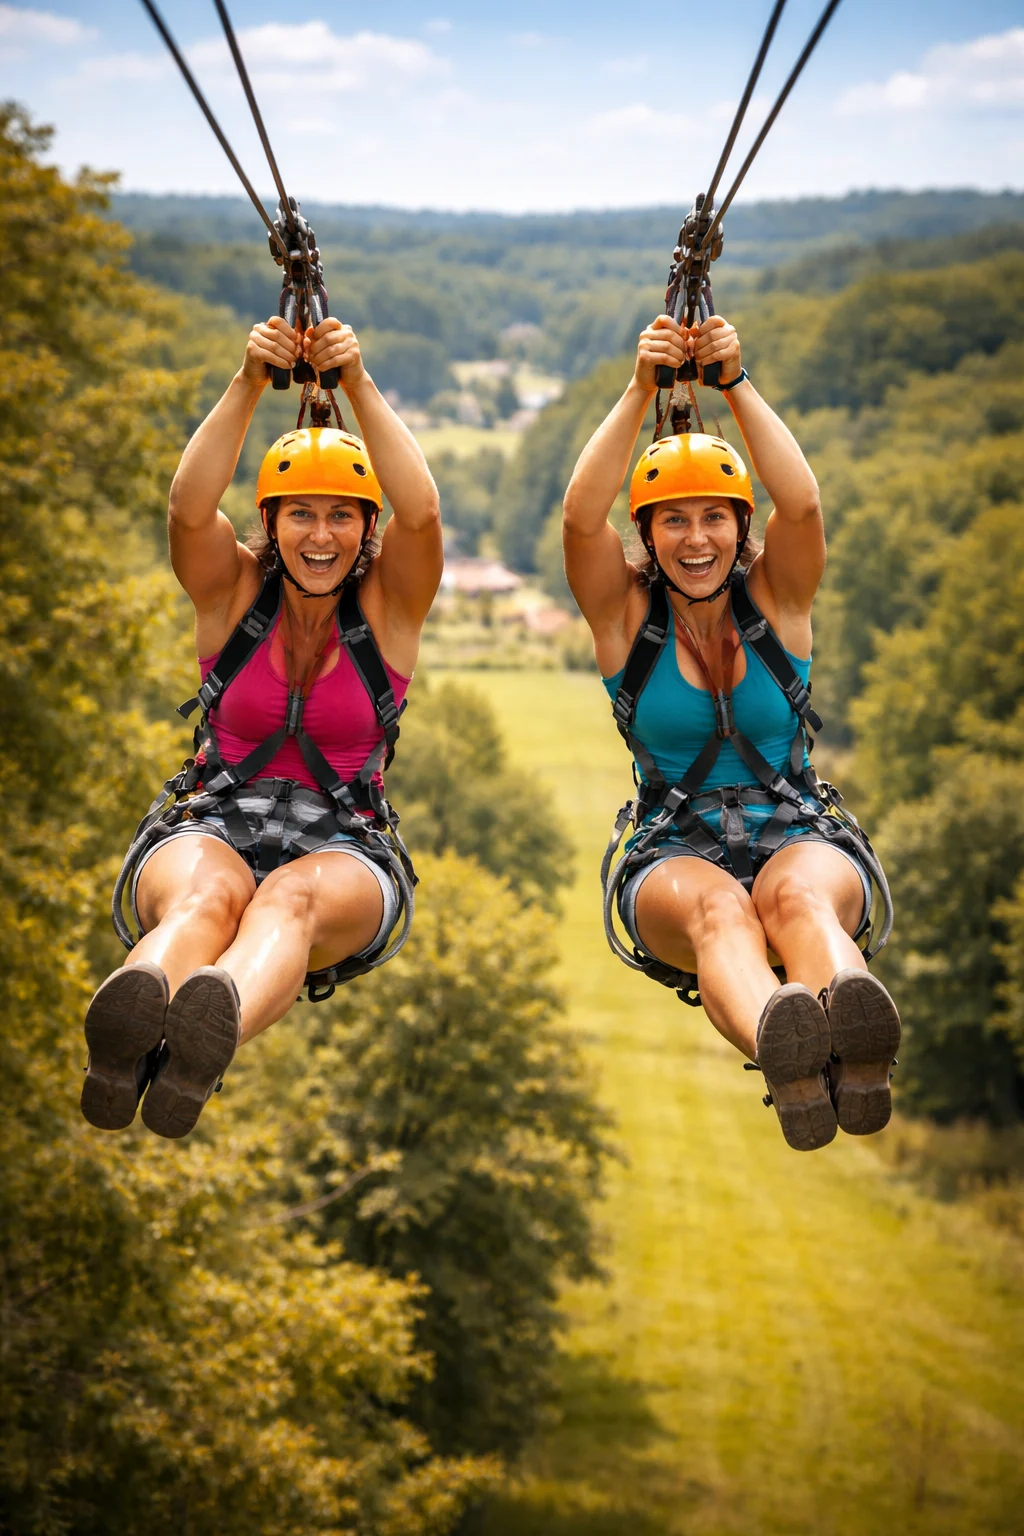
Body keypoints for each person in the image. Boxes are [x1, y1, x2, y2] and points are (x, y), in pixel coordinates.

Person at [81, 315, 441, 1139]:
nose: (321, 536)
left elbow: (420, 518)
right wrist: (248, 380)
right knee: (211, 896)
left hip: (344, 840)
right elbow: (187, 505)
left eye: (342, 516)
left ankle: (204, 1035)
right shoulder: (232, 593)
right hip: (212, 817)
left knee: (291, 898)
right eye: (301, 515)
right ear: (270, 523)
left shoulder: (390, 607)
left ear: (364, 528)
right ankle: (130, 1034)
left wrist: (358, 384)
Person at [562, 311, 900, 1153]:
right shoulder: (624, 619)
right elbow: (577, 521)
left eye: (715, 518)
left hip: (794, 825)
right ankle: (787, 1052)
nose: (697, 539)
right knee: (720, 912)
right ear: (646, 534)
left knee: (800, 899)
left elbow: (805, 501)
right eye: (672, 521)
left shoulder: (777, 602)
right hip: (673, 845)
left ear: (740, 525)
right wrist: (642, 388)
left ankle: (855, 1041)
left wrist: (736, 385)